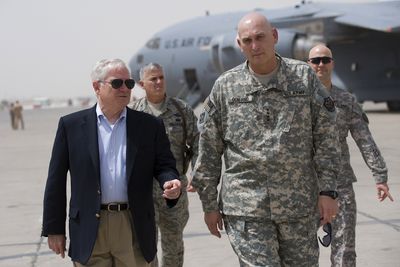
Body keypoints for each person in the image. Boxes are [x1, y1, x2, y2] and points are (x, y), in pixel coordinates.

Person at [191, 12, 340, 267]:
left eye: (260, 37)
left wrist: (328, 191)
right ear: (239, 45)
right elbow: (209, 149)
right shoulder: (225, 87)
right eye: (247, 40)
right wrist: (209, 204)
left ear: (274, 36)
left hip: (298, 205)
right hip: (246, 209)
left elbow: (326, 137)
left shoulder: (303, 78)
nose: (255, 46)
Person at [41, 58, 182, 267]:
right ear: (97, 87)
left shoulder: (149, 126)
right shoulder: (70, 126)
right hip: (90, 228)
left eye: (129, 83)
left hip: (133, 225)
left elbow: (165, 165)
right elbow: (56, 180)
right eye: (117, 83)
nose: (125, 88)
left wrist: (171, 181)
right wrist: (54, 229)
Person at [308, 44, 394, 267]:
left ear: (332, 63)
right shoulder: (297, 101)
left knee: (345, 252)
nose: (320, 65)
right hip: (305, 187)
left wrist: (380, 176)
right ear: (308, 65)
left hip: (340, 186)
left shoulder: (346, 101)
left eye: (325, 60)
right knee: (302, 254)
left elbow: (364, 139)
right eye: (315, 60)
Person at [131, 62, 199, 267]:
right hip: (143, 193)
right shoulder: (133, 113)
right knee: (146, 247)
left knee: (174, 245)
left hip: (174, 190)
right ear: (142, 84)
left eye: (161, 77)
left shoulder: (181, 109)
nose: (159, 82)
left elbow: (197, 143)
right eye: (153, 79)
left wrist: (197, 173)